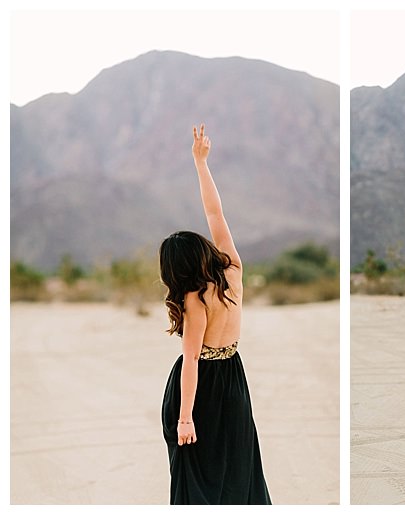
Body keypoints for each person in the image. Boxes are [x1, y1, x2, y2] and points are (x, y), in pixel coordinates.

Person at [159, 124, 272, 504]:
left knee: (194, 470)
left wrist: (185, 417)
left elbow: (191, 358)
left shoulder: (194, 298)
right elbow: (215, 212)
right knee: (237, 465)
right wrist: (201, 163)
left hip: (202, 385)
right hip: (233, 376)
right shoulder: (233, 272)